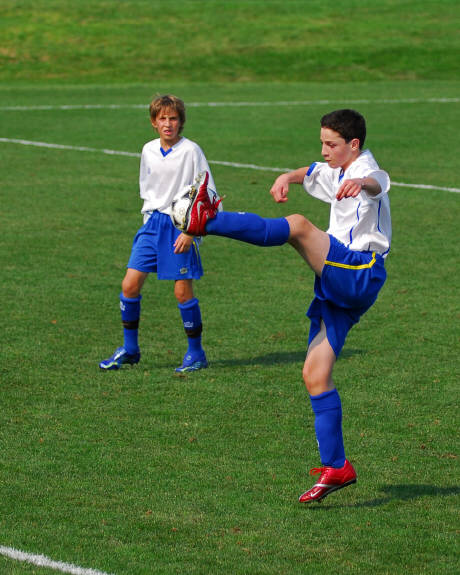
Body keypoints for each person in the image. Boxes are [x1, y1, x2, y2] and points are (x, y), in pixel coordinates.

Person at [173, 109, 391, 502]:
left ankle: (209, 220)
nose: (323, 150)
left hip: (361, 270)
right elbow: (311, 171)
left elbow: (378, 183)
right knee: (315, 374)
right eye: (322, 142)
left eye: (331, 144)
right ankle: (337, 467)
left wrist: (362, 182)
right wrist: (286, 177)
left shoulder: (364, 169)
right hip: (338, 280)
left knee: (298, 226)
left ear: (354, 145)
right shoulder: (337, 168)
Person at [100, 94, 219, 373]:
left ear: (181, 121)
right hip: (152, 225)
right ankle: (130, 349)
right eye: (162, 118)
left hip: (179, 228)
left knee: (182, 292)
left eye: (173, 118)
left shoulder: (191, 151)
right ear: (154, 122)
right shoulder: (148, 150)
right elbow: (147, 188)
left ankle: (196, 353)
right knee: (129, 285)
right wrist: (148, 222)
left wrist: (191, 232)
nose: (168, 124)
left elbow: (208, 193)